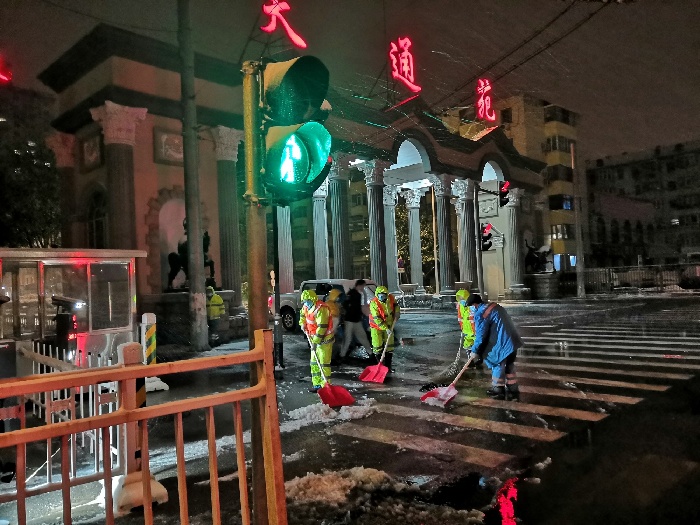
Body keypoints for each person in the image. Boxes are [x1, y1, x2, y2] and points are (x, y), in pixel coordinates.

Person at [467, 294, 523, 401]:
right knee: (509, 364)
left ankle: (498, 389)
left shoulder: (481, 314)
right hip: (513, 341)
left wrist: (475, 351)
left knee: (497, 364)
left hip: (502, 344)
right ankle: (513, 387)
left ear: (474, 305)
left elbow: (481, 336)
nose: (471, 309)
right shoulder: (495, 306)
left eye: (471, 306)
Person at [299, 289, 335, 393]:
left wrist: (315, 342)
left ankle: (326, 386)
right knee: (314, 363)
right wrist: (302, 323)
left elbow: (322, 327)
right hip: (314, 338)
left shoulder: (321, 309)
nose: (306, 303)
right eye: (304, 301)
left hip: (325, 340)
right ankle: (317, 384)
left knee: (324, 363)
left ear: (313, 299)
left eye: (308, 301)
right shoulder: (306, 307)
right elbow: (302, 315)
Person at [369, 285, 400, 373]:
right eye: (380, 296)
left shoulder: (391, 298)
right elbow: (377, 318)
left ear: (386, 294)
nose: (382, 297)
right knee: (377, 346)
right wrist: (386, 328)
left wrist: (397, 312)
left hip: (389, 325)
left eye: (384, 295)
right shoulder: (374, 303)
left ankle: (388, 367)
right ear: (377, 295)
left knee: (389, 346)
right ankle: (380, 365)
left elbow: (396, 306)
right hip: (376, 327)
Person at [340, 280, 373, 360]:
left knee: (362, 337)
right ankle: (342, 356)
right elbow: (346, 305)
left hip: (356, 320)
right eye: (363, 286)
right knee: (348, 339)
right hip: (350, 320)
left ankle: (371, 355)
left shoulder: (358, 294)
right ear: (359, 285)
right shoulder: (352, 294)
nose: (363, 288)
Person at [455, 289, 476, 362]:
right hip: (466, 330)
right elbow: (460, 318)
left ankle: (480, 359)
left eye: (463, 298)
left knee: (478, 346)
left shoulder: (472, 306)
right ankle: (470, 361)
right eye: (460, 298)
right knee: (467, 345)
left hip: (474, 330)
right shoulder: (460, 306)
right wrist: (462, 328)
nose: (462, 300)